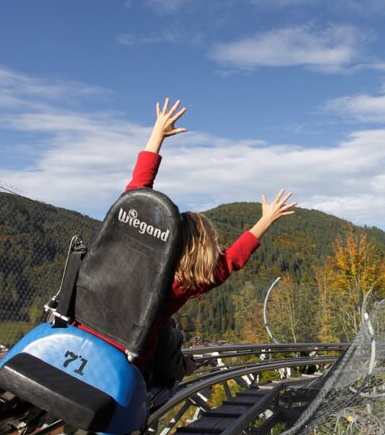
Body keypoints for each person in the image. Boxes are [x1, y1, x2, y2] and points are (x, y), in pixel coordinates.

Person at [126, 98, 296, 386]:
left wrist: (157, 134)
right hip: (133, 359)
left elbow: (137, 190)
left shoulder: (136, 252)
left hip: (86, 331)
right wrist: (266, 220)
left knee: (166, 329)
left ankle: (179, 368)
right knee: (166, 329)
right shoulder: (185, 284)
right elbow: (231, 260)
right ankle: (180, 370)